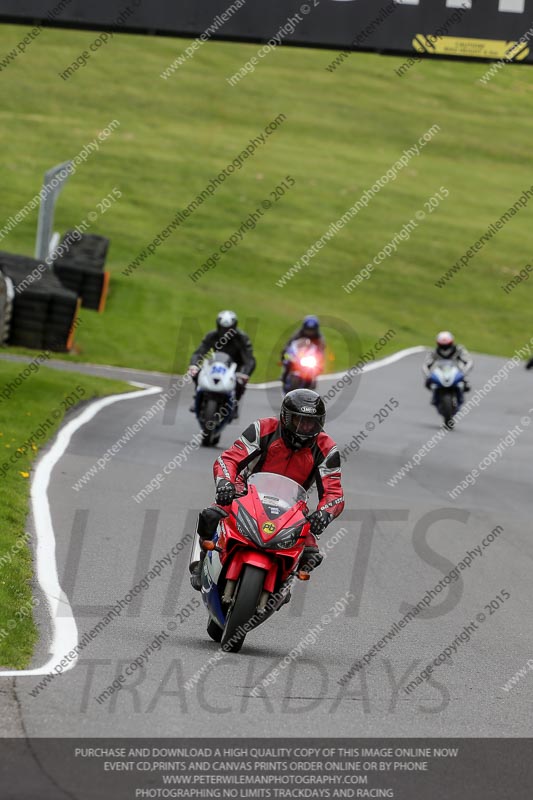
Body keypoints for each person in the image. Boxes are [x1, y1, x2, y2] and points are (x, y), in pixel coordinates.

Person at [189, 388, 345, 590]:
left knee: (311, 554)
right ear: (285, 417)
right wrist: (225, 483)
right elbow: (228, 459)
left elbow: (334, 492)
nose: (304, 428)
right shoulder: (263, 428)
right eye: (298, 421)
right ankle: (201, 561)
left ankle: (284, 582)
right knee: (211, 515)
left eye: (310, 423)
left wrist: (325, 514)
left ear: (320, 423)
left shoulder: (327, 448)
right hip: (246, 491)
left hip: (292, 505)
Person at [188, 310, 256, 419]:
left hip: (236, 366)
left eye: (228, 329)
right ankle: (198, 396)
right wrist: (194, 365)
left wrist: (245, 373)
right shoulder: (212, 336)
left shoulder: (242, 338)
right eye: (223, 329)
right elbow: (200, 352)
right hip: (217, 363)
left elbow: (249, 359)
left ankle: (234, 404)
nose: (225, 332)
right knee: (197, 373)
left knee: (240, 382)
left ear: (234, 327)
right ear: (218, 326)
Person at [423, 331, 473, 404]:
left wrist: (464, 373)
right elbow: (426, 365)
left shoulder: (459, 349)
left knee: (466, 384)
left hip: (456, 371)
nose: (445, 348)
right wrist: (428, 376)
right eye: (442, 346)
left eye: (447, 345)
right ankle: (435, 397)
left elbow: (468, 361)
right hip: (441, 372)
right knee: (428, 383)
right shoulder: (434, 352)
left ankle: (460, 393)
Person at [280, 315, 326, 385]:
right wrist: (285, 351)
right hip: (298, 356)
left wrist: (320, 361)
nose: (310, 332)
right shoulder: (298, 334)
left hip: (310, 357)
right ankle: (284, 375)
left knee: (316, 367)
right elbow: (290, 343)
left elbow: (321, 350)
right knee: (287, 361)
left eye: (312, 330)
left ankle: (311, 380)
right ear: (304, 328)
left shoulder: (319, 338)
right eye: (308, 329)